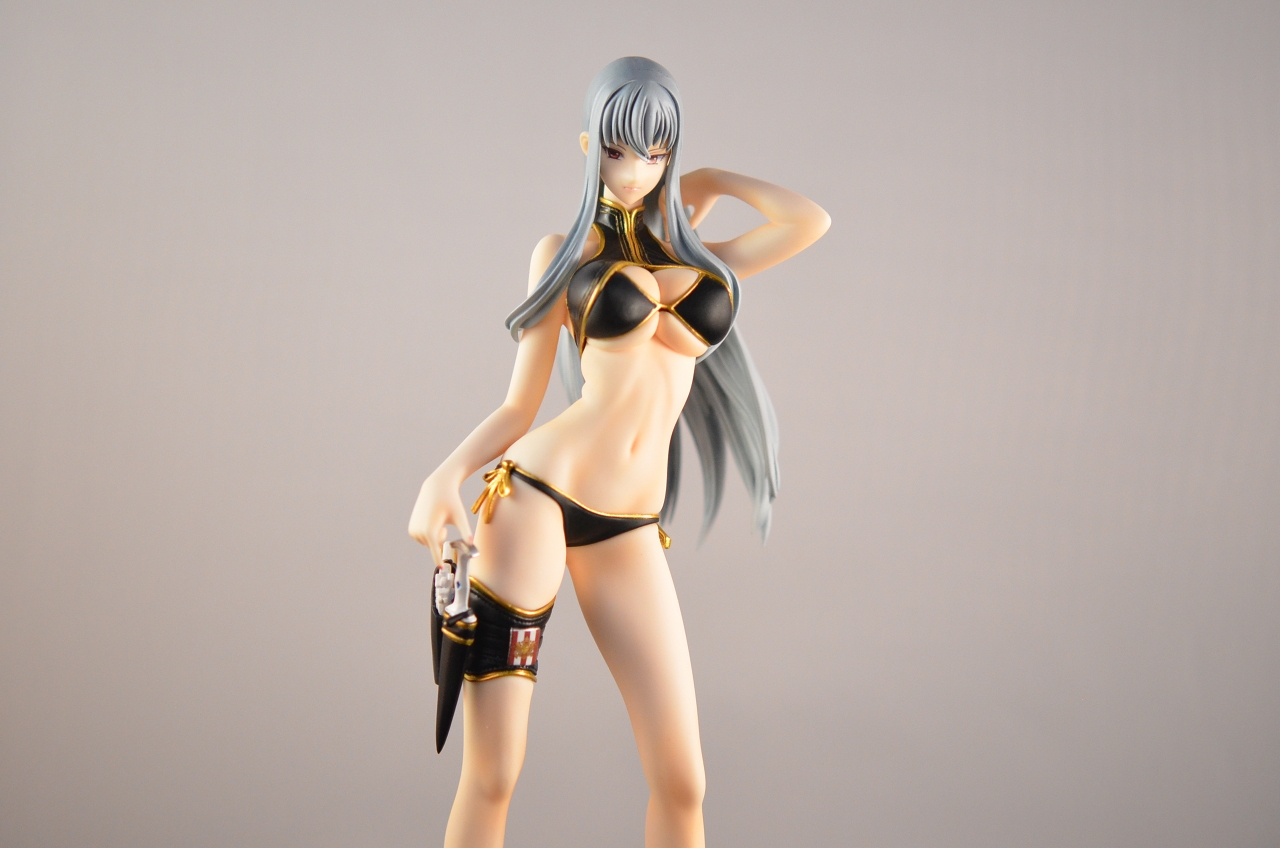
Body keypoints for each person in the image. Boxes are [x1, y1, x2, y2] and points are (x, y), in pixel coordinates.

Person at [408, 56, 829, 848]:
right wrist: (443, 478)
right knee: (495, 771)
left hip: (628, 525)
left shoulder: (695, 255)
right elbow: (519, 405)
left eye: (655, 151)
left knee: (683, 782)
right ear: (587, 146)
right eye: (616, 149)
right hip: (534, 500)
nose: (635, 169)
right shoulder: (562, 254)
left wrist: (709, 175)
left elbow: (809, 222)